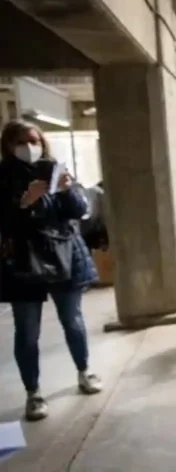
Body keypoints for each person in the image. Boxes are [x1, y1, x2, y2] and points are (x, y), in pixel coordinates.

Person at [0, 119, 102, 422]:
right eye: (22, 142)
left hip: (64, 255)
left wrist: (68, 191)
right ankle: (33, 393)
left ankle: (84, 372)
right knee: (28, 330)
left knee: (72, 320)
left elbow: (79, 211)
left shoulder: (54, 168)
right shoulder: (3, 177)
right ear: (8, 146)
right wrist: (24, 203)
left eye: (35, 141)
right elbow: (4, 223)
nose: (30, 148)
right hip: (23, 260)